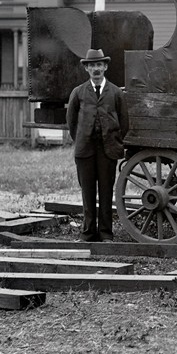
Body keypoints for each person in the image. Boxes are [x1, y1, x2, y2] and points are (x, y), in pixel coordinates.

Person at [66, 48, 127, 242]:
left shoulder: (116, 92)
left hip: (108, 150)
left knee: (106, 191)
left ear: (105, 67)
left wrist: (115, 140)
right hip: (85, 150)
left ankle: (106, 233)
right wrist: (81, 139)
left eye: (99, 65)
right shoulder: (79, 92)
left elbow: (125, 122)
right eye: (92, 65)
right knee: (88, 191)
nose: (96, 69)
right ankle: (88, 232)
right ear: (86, 69)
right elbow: (71, 121)